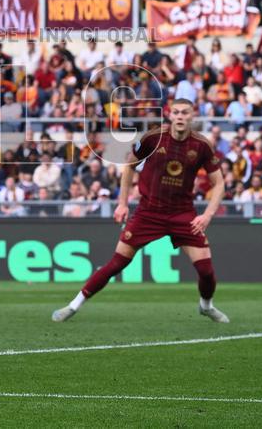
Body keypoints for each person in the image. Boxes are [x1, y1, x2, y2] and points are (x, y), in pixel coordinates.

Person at [52, 98, 229, 324]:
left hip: (182, 214)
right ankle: (73, 306)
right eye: (176, 112)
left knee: (206, 270)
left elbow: (220, 183)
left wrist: (207, 215)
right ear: (170, 115)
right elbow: (129, 166)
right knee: (117, 263)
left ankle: (206, 306)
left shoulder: (201, 145)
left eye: (185, 112)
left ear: (192, 115)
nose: (181, 117)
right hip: (149, 212)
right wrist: (123, 203)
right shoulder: (153, 138)